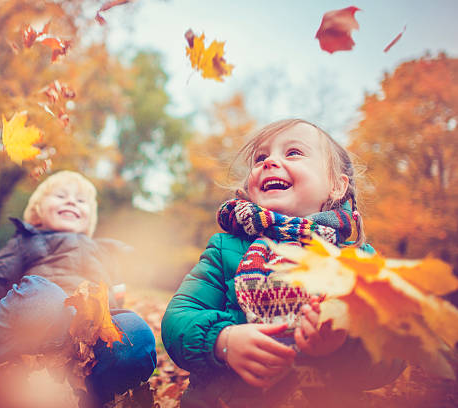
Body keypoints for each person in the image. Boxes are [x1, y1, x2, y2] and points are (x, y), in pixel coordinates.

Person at [161, 119, 405, 407]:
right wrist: (223, 340)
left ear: (337, 186)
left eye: (293, 153)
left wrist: (343, 343)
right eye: (261, 158)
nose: (270, 161)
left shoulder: (358, 261)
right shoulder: (225, 248)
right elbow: (178, 318)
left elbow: (394, 350)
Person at [0, 170, 156, 405]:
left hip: (85, 342)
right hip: (37, 330)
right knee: (42, 295)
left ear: (90, 219)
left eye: (80, 201)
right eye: (60, 196)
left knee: (136, 333)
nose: (71, 201)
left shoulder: (104, 252)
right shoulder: (28, 240)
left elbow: (114, 301)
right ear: (37, 209)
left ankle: (90, 393)